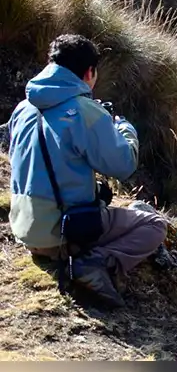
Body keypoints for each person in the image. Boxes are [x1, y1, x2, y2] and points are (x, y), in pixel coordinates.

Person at [6, 34, 168, 308]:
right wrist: (125, 130)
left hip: (25, 229)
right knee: (155, 225)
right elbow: (123, 165)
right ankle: (95, 263)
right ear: (89, 72)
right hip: (63, 233)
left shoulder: (22, 109)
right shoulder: (84, 111)